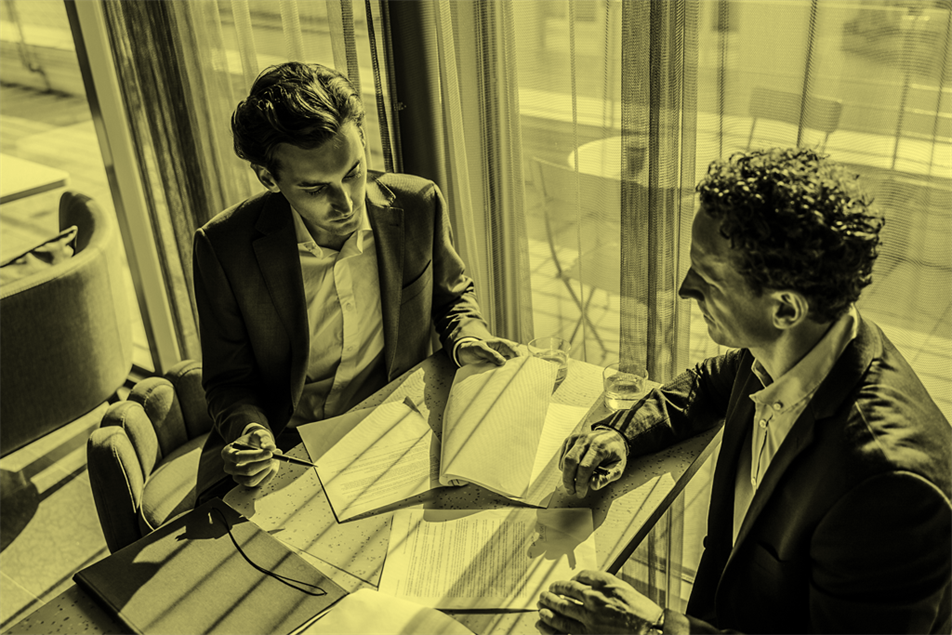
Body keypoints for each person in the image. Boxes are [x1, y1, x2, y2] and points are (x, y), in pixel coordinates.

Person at [541, 147, 952, 635]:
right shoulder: (795, 346)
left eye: (708, 276)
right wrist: (622, 436)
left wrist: (650, 629)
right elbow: (707, 384)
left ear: (784, 308)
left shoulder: (891, 486)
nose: (685, 289)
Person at [193, 62, 519, 499]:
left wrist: (466, 338)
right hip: (285, 446)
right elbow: (228, 380)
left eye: (353, 171)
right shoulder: (224, 247)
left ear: (363, 142)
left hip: (392, 427)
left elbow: (452, 298)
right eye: (315, 188)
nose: (345, 201)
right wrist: (252, 433)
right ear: (269, 178)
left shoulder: (419, 204)